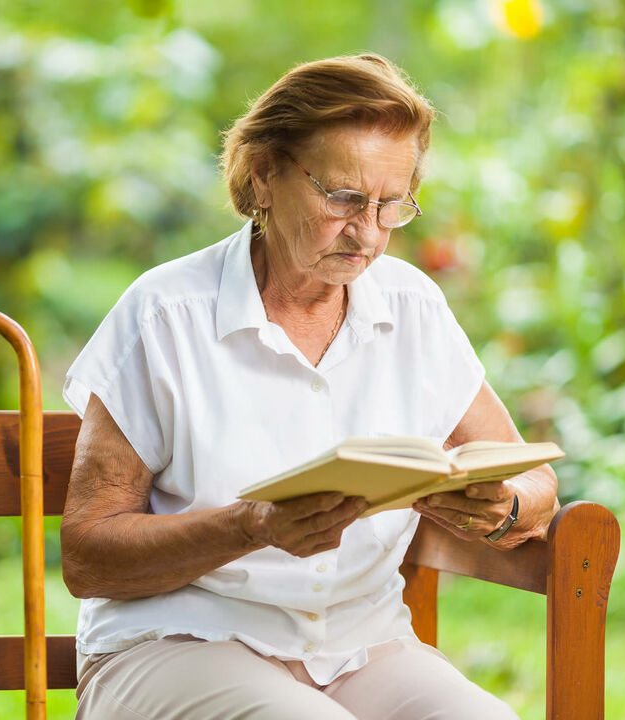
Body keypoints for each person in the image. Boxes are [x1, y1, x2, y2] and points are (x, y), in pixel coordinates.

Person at [60, 53, 558, 719]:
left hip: (364, 649)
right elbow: (88, 556)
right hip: (178, 642)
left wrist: (503, 510)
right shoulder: (166, 313)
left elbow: (535, 484)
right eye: (344, 198)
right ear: (264, 174)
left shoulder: (412, 306)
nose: (368, 234)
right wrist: (250, 526)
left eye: (391, 205)